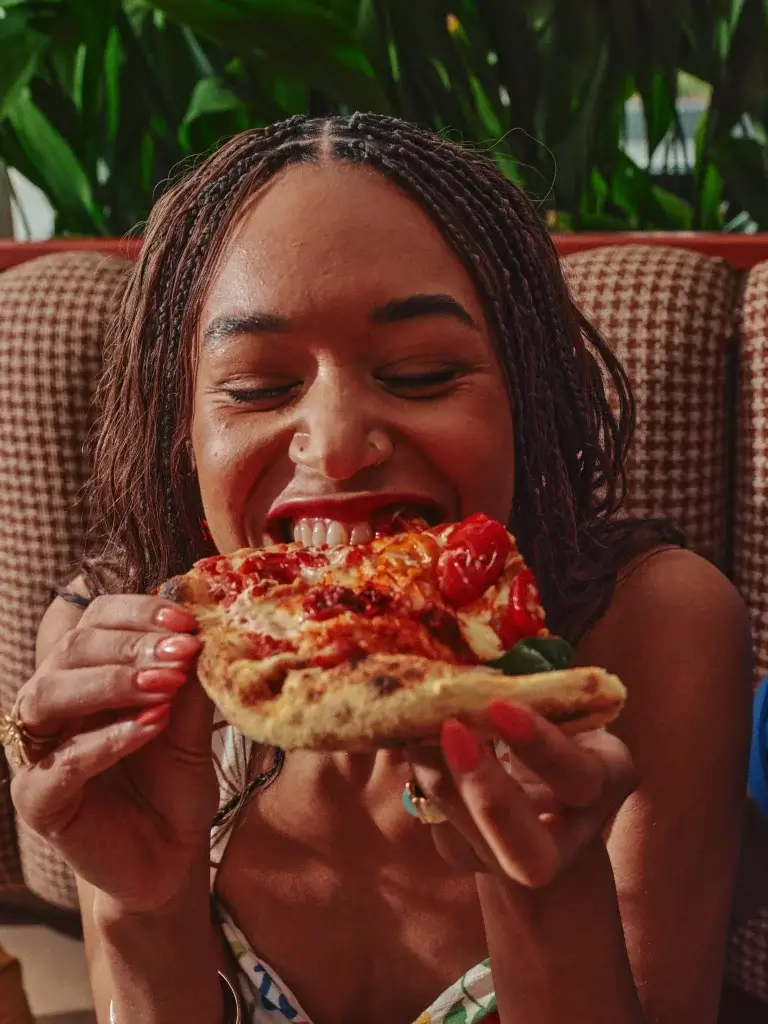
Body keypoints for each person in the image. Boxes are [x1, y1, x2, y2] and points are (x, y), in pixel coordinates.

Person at [3, 113, 752, 1024]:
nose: (341, 443)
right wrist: (144, 906)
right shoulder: (118, 651)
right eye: (257, 387)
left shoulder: (651, 634)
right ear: (184, 434)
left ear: (528, 397)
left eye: (423, 372)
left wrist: (542, 893)